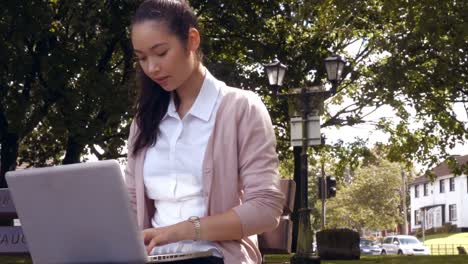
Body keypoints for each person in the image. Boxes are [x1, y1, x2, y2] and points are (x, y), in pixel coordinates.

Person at [125, 0, 285, 263]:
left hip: (215, 256)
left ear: (192, 40)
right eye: (142, 58)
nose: (152, 68)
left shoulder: (240, 108)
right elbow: (131, 206)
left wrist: (181, 231)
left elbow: (265, 208)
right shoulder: (143, 122)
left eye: (161, 52)